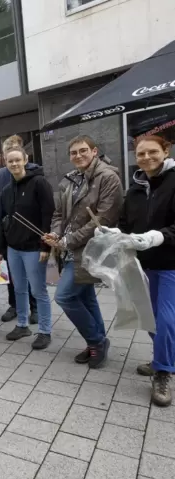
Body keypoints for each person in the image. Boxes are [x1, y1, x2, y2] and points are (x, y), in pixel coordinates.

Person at [43, 135, 123, 369]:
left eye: (83, 151)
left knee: (65, 297)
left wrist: (69, 240)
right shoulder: (70, 179)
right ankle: (97, 342)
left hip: (91, 248)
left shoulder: (108, 177)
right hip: (69, 248)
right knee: (85, 296)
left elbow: (104, 218)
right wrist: (56, 234)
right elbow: (59, 214)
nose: (78, 155)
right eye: (74, 152)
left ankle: (96, 341)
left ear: (94, 151)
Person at [113, 135, 175, 406]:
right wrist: (116, 234)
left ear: (166, 150)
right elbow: (126, 222)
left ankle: (162, 372)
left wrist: (158, 236)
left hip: (170, 263)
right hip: (141, 265)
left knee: (166, 320)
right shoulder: (135, 188)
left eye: (152, 152)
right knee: (150, 320)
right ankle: (163, 358)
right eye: (140, 154)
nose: (146, 157)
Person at [0, 145, 55, 350]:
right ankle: (22, 325)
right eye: (10, 161)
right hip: (13, 248)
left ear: (25, 159)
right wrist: (1, 250)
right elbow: (3, 221)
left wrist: (45, 247)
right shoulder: (5, 190)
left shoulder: (39, 183)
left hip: (33, 248)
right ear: (5, 162)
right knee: (19, 288)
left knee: (39, 290)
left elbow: (49, 215)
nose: (14, 164)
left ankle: (45, 331)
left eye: (17, 160)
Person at [0, 137, 38, 323]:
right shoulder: (1, 173)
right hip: (8, 232)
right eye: (7, 152)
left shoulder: (33, 172)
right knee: (8, 274)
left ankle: (34, 307)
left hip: (28, 234)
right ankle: (14, 306)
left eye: (15, 150)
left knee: (32, 277)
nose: (12, 158)